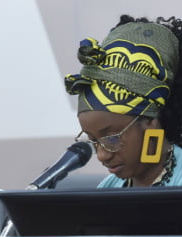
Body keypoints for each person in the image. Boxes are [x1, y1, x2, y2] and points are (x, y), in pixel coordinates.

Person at [66, 15, 182, 187]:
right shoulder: (108, 188)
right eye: (94, 141)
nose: (101, 156)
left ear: (151, 121)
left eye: (111, 139)